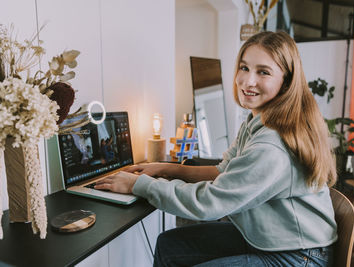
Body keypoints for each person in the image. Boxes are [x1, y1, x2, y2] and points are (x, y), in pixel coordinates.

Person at [95, 31, 338, 267]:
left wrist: (138, 185)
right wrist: (165, 168)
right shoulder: (259, 122)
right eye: (244, 68)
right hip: (268, 239)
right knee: (170, 245)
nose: (247, 81)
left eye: (263, 72)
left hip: (296, 256)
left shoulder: (271, 146)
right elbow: (223, 171)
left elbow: (208, 204)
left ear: (286, 82)